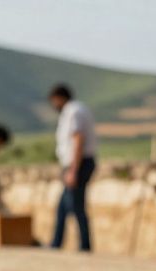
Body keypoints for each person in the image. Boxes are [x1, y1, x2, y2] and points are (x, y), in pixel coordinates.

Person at [47, 84, 98, 252]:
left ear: (59, 98)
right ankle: (56, 244)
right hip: (76, 163)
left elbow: (78, 140)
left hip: (78, 163)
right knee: (63, 206)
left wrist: (73, 171)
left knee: (76, 206)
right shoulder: (75, 110)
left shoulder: (73, 112)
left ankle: (84, 246)